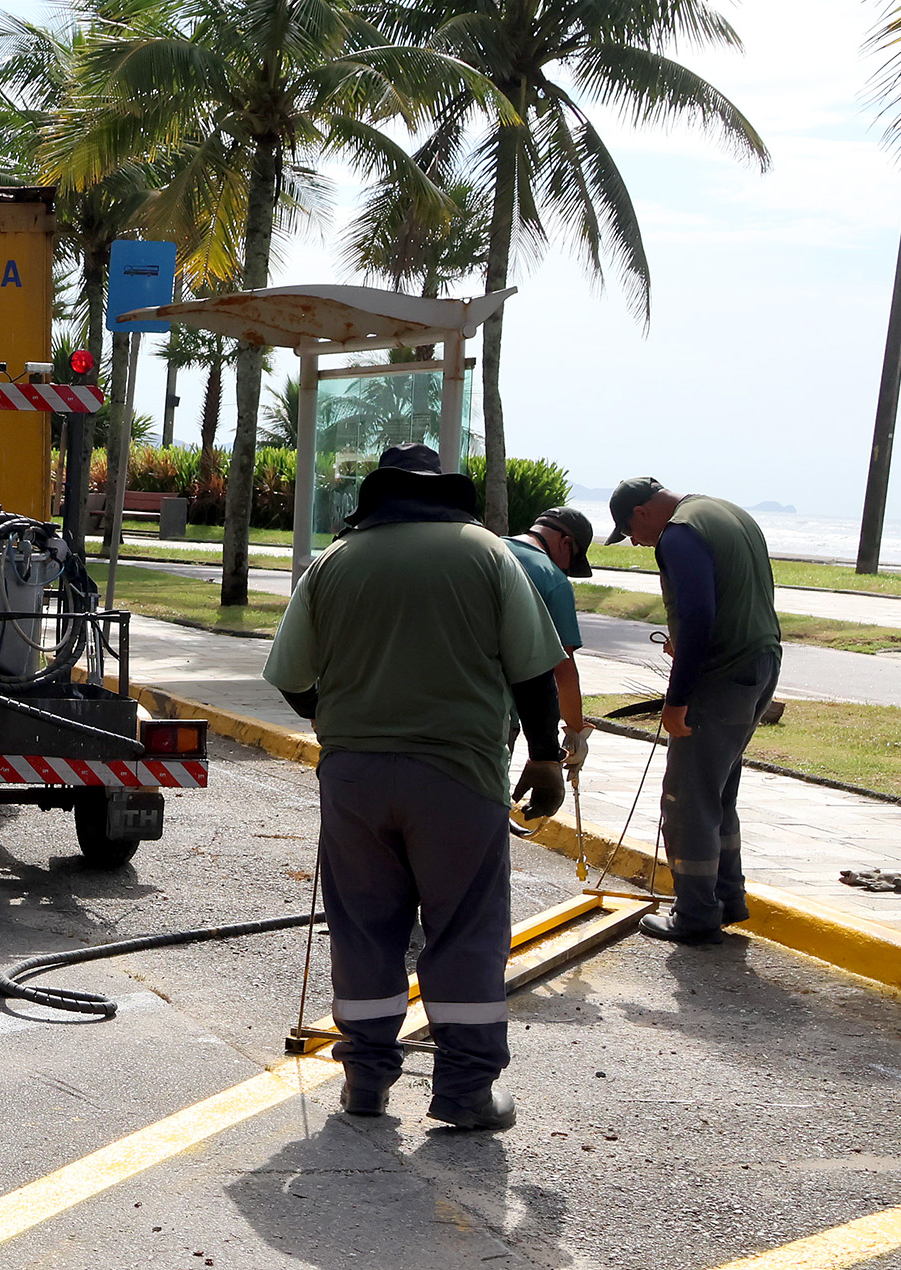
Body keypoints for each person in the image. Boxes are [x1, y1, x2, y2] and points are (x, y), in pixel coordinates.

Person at [264, 444, 570, 1131]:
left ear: (380, 498)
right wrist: (547, 759)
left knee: (365, 926)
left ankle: (366, 1082)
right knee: (463, 928)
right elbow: (532, 670)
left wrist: (332, 713)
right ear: (443, 495)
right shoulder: (486, 553)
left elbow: (288, 672)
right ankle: (464, 1092)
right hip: (458, 778)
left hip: (355, 779)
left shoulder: (337, 561)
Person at [605, 477, 781, 942]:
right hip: (761, 663)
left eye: (631, 532)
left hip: (721, 676)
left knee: (687, 796)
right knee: (718, 791)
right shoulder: (727, 511)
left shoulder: (679, 534)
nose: (639, 543)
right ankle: (726, 898)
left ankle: (697, 914)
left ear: (642, 512)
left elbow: (700, 613)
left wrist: (677, 699)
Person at [503, 506, 595, 777]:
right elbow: (563, 672)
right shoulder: (553, 580)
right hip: (493, 714)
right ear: (566, 544)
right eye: (571, 562)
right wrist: (576, 734)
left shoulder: (487, 548)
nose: (565, 569)